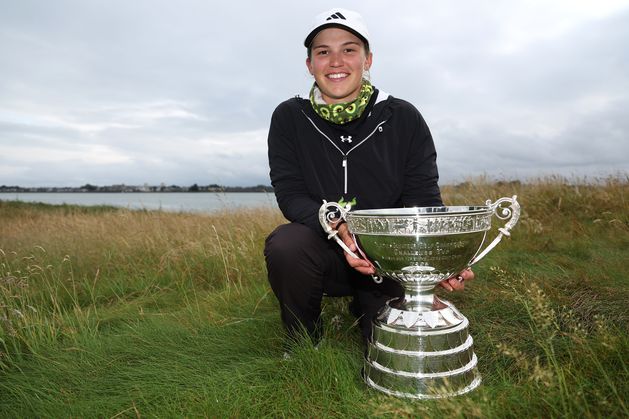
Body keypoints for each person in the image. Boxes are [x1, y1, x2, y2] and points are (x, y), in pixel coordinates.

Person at [264, 8, 474, 348]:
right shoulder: (289, 117)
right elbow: (290, 193)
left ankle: (367, 308)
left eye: (348, 50)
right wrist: (338, 225)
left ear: (368, 59)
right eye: (323, 52)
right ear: (309, 65)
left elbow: (422, 197)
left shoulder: (402, 117)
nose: (336, 62)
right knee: (286, 244)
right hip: (324, 244)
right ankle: (303, 343)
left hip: (386, 256)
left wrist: (440, 257)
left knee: (386, 345)